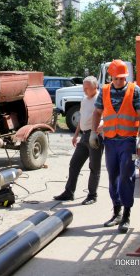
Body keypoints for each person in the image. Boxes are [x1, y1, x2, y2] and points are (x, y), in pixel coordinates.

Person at [90, 59, 140, 233]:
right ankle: (116, 211)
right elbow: (97, 112)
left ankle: (126, 215)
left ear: (126, 76)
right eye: (116, 78)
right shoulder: (105, 90)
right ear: (111, 77)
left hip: (128, 142)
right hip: (110, 141)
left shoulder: (135, 90)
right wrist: (94, 132)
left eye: (122, 78)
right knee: (113, 176)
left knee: (126, 176)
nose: (119, 81)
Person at [53, 76, 104, 205]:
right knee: (74, 164)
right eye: (83, 87)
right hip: (84, 135)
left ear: (95, 87)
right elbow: (81, 118)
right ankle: (69, 192)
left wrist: (100, 128)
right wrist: (76, 135)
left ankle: (92, 195)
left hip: (96, 137)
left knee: (94, 167)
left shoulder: (101, 99)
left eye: (87, 88)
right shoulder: (84, 100)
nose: (84, 90)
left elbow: (109, 117)